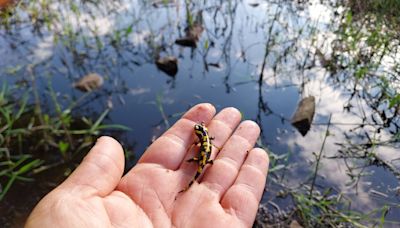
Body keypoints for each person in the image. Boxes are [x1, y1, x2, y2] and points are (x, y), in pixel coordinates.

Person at [25, 103, 269, 227]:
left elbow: (203, 143)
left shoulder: (202, 139)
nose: (198, 131)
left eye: (198, 130)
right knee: (200, 162)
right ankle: (193, 179)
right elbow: (204, 142)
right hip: (205, 159)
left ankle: (193, 180)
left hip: (204, 159)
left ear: (200, 132)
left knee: (199, 162)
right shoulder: (203, 137)